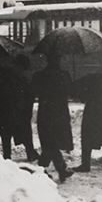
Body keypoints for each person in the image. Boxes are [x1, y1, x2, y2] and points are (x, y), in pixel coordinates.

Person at [0, 55, 40, 162]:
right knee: (15, 133)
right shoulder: (19, 78)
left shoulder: (7, 74)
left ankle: (10, 155)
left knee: (7, 134)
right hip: (12, 112)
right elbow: (28, 97)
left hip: (5, 111)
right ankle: (27, 153)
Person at [31, 53, 74, 183]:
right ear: (59, 61)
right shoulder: (64, 75)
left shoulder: (39, 75)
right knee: (53, 142)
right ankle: (46, 169)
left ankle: (50, 169)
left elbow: (33, 91)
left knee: (48, 141)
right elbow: (71, 91)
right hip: (60, 112)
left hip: (46, 111)